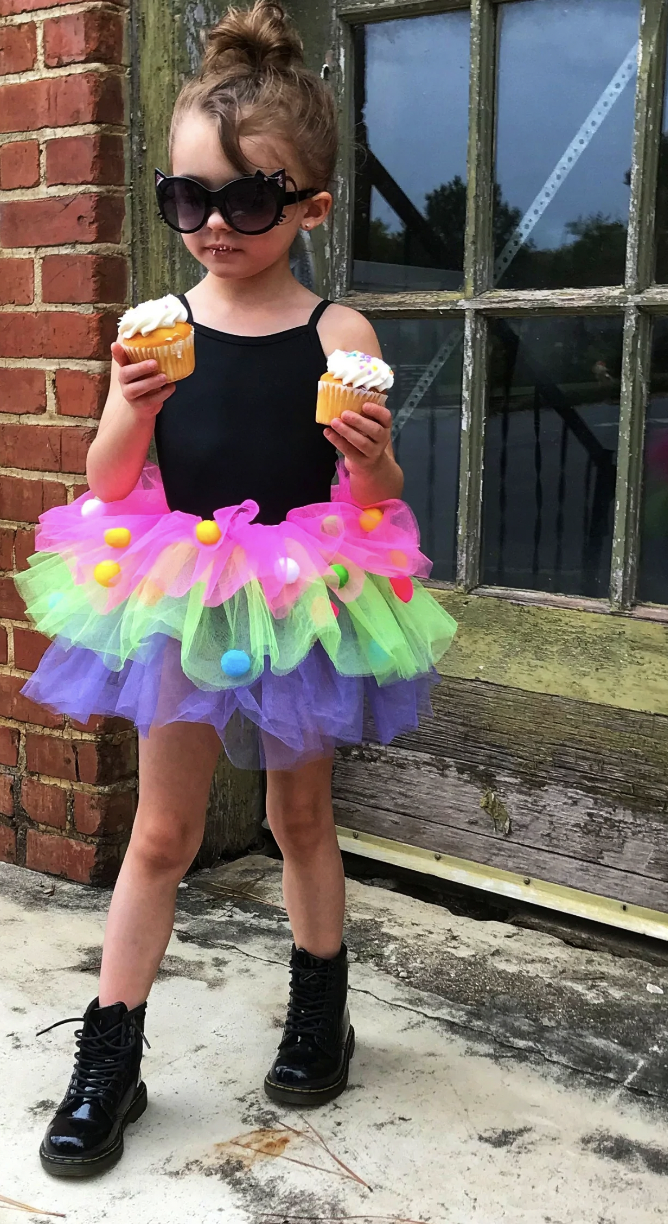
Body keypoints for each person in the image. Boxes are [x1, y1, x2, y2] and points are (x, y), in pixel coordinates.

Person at [17, 0, 456, 1178]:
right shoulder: (155, 333)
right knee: (159, 832)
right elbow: (109, 480)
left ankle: (322, 1010)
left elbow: (376, 497)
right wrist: (129, 404)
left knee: (298, 815)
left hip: (300, 594)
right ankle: (111, 1053)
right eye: (187, 198)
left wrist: (368, 459)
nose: (213, 225)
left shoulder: (335, 326)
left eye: (247, 199)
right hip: (181, 591)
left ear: (309, 208)